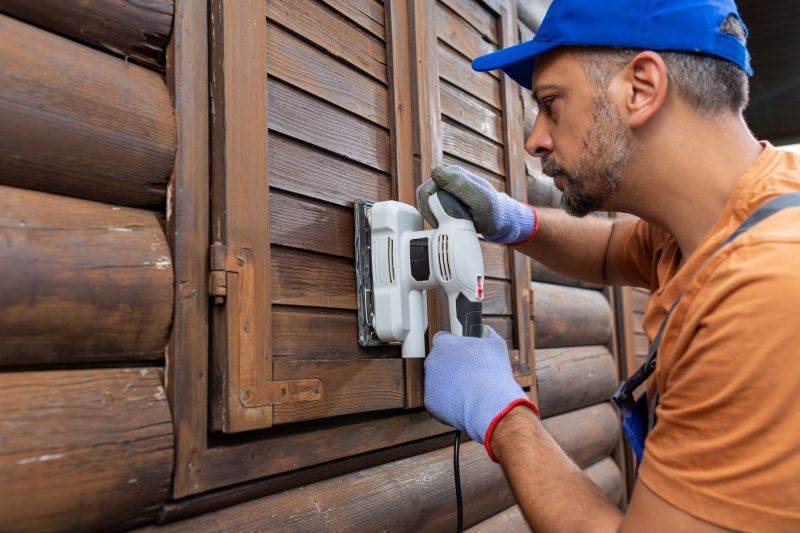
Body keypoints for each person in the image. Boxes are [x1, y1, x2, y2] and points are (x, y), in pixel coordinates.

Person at [418, 0, 800, 531]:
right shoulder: (729, 211)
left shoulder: (766, 292)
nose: (535, 140)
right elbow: (612, 249)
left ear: (641, 87)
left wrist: (500, 415)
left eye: (552, 104)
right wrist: (512, 220)